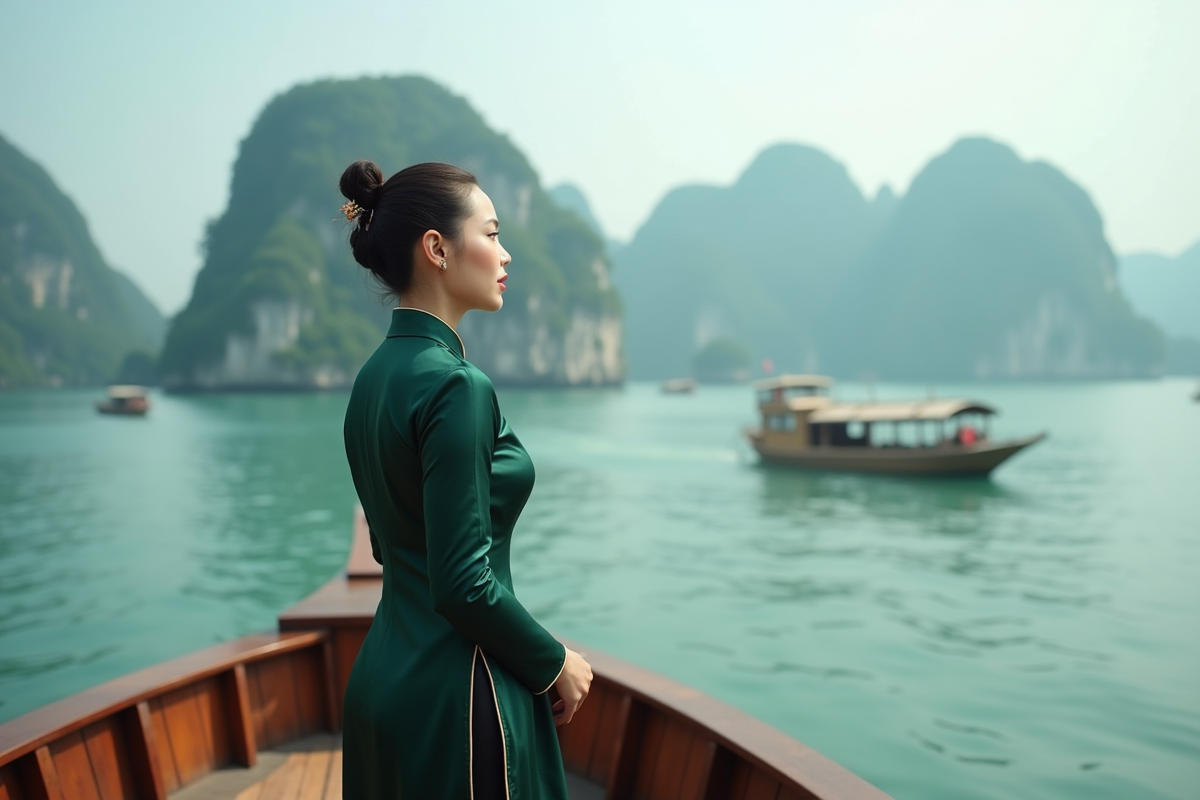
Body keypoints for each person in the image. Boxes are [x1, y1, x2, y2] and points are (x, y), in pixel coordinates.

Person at [337, 160, 593, 800]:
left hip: (383, 681)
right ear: (437, 249)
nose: (506, 254)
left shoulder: (372, 380)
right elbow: (462, 583)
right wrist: (553, 661)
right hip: (460, 694)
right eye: (493, 233)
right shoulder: (457, 385)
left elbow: (393, 545)